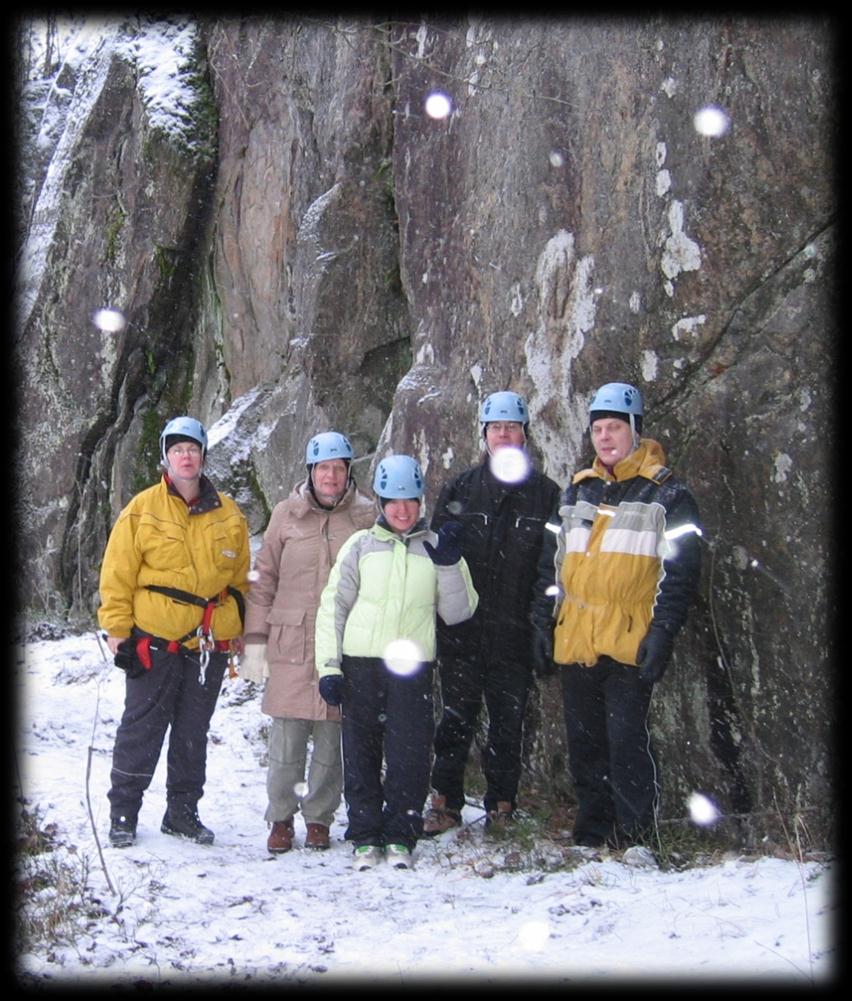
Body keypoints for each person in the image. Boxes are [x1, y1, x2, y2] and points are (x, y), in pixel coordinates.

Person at [530, 382, 702, 849]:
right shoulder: (576, 492)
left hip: (630, 638)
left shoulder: (667, 493)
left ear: (635, 430)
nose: (605, 438)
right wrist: (541, 624)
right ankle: (592, 830)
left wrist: (663, 632)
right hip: (578, 637)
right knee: (585, 745)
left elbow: (681, 572)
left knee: (626, 742)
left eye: (615, 428)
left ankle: (636, 836)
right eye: (598, 429)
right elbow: (551, 565)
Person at [314, 454, 478, 870]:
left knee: (410, 754)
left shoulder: (439, 548)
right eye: (393, 501)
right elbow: (333, 606)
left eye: (410, 501)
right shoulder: (361, 545)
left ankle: (401, 833)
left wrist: (449, 567)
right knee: (362, 751)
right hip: (361, 663)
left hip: (413, 667)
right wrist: (330, 667)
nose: (402, 510)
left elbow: (459, 612)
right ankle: (365, 834)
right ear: (381, 503)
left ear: (421, 502)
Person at [98, 416, 250, 848]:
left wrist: (236, 628)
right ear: (166, 456)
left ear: (203, 455)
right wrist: (117, 630)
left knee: (192, 730)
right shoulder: (142, 510)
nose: (186, 456)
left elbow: (240, 579)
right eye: (178, 449)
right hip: (155, 640)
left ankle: (182, 812)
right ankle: (123, 813)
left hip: (208, 644)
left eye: (193, 448)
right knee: (141, 728)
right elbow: (117, 575)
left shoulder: (229, 513)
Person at [423, 391, 561, 835]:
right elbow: (437, 562)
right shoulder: (461, 489)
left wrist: (542, 622)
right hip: (464, 631)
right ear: (484, 435)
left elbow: (551, 567)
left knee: (508, 725)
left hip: (515, 633)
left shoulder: (545, 496)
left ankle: (502, 805)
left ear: (524, 434)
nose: (504, 435)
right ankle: (445, 802)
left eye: (512, 427)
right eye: (496, 427)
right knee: (455, 721)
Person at [240, 431, 375, 854]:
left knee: (332, 738)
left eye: (338, 467)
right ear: (310, 472)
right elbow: (263, 583)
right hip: (290, 641)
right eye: (322, 468)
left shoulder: (368, 516)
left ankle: (319, 817)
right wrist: (256, 643)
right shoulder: (286, 514)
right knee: (287, 740)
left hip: (342, 643)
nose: (330, 476)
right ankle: (280, 817)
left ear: (348, 472)